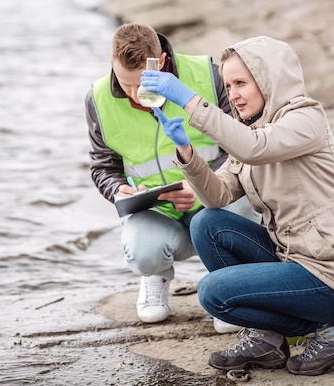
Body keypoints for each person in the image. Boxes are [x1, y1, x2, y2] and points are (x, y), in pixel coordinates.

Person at [139, 36, 334, 376]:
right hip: (295, 260)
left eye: (241, 83)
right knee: (207, 223)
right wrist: (186, 153)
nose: (233, 94)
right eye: (228, 85)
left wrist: (189, 100)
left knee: (214, 294)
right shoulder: (250, 130)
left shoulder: (305, 118)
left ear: (269, 80)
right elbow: (217, 195)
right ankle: (266, 339)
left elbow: (256, 148)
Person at [85, 22, 241, 324]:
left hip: (219, 200)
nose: (133, 93)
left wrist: (202, 185)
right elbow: (103, 166)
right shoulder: (97, 97)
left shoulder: (208, 74)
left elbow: (241, 146)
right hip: (157, 212)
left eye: (141, 83)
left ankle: (228, 283)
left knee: (249, 205)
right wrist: (118, 190)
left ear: (162, 63)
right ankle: (154, 276)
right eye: (124, 82)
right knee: (143, 250)